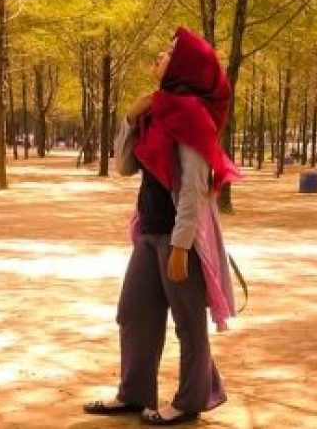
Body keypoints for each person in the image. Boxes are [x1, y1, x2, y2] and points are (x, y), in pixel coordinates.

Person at [84, 27, 240, 427]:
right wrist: (129, 120)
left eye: (169, 52)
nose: (159, 54)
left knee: (188, 322)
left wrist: (180, 247)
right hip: (149, 230)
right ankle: (135, 392)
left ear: (186, 66)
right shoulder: (156, 110)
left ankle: (191, 400)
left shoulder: (191, 115)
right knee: (134, 313)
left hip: (179, 236)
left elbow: (193, 188)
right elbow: (124, 167)